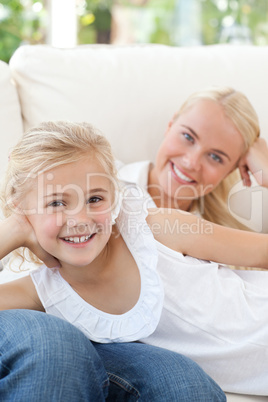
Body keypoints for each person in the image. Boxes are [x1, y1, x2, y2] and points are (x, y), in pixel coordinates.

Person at [1, 121, 268, 399]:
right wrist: (12, 229)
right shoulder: (43, 292)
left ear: (114, 196)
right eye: (57, 203)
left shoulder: (153, 229)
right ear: (21, 209)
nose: (80, 220)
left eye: (95, 199)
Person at [118, 86, 268, 395]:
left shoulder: (227, 228)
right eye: (188, 136)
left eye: (216, 157)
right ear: (170, 125)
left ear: (232, 169)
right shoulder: (109, 190)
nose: (190, 162)